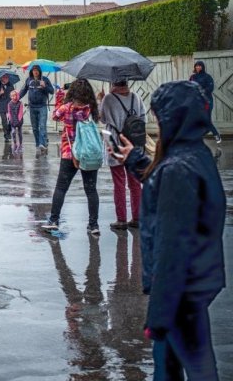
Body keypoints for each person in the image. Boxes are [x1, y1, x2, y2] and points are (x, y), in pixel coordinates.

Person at [114, 81, 225, 380]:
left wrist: (159, 316)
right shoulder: (194, 155)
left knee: (193, 369)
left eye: (159, 117)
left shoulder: (177, 169)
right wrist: (136, 159)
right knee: (180, 365)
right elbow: (164, 187)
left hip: (180, 292)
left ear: (172, 119)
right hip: (196, 284)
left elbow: (172, 247)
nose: (155, 125)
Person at [42, 78, 101, 236]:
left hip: (70, 153)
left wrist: (60, 98)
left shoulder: (67, 108)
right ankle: (93, 225)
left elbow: (54, 116)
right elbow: (98, 119)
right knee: (91, 190)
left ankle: (54, 221)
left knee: (61, 188)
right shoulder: (91, 108)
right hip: (88, 153)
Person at [100, 80, 144, 231]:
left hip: (114, 141)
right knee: (135, 182)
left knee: (119, 182)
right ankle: (137, 217)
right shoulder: (136, 97)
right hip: (134, 141)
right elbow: (143, 117)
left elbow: (103, 119)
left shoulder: (108, 98)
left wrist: (102, 99)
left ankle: (121, 219)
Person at [19, 64, 53, 153]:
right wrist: (16, 97)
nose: (35, 72)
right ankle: (38, 144)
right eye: (34, 70)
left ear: (39, 71)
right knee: (34, 127)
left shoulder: (45, 80)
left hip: (42, 106)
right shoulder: (28, 80)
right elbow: (23, 90)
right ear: (31, 71)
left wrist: (44, 86)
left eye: (37, 70)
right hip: (32, 106)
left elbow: (52, 91)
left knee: (42, 126)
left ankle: (43, 144)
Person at [190, 61, 221, 144]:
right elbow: (189, 87)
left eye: (200, 66)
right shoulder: (192, 77)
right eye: (196, 66)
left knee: (207, 119)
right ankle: (203, 133)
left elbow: (211, 87)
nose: (198, 67)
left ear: (203, 67)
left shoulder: (207, 77)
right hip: (197, 102)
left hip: (207, 101)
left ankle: (216, 134)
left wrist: (202, 91)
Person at [0, 74, 15, 142]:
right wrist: (0, 93)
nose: (6, 79)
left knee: (10, 121)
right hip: (1, 105)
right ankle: (6, 135)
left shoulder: (11, 85)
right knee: (4, 120)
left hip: (10, 105)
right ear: (1, 78)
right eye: (4, 77)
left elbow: (13, 94)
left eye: (7, 78)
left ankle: (9, 132)